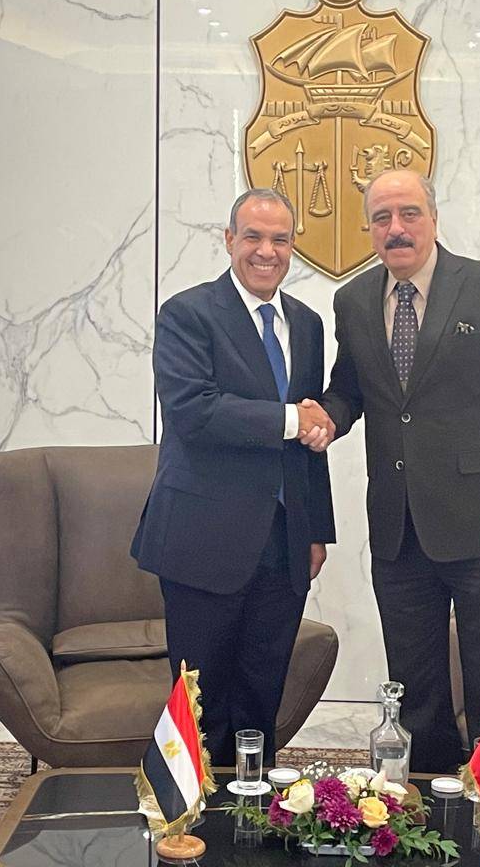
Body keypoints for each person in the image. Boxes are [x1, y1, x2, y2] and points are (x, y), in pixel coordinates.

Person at [307, 169, 480, 774]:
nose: (396, 228)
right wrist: (326, 418)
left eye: (409, 213)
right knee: (415, 690)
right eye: (382, 218)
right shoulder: (353, 301)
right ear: (369, 230)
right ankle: (432, 802)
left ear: (434, 219)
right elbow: (351, 389)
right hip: (398, 528)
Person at [131, 187, 336, 766]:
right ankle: (190, 814)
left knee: (261, 700)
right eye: (253, 237)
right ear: (229, 240)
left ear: (293, 247)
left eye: (280, 239)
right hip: (203, 539)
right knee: (200, 706)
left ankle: (252, 812)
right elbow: (193, 412)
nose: (266, 251)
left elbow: (310, 443)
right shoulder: (187, 314)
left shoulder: (308, 324)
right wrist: (291, 419)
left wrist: (315, 529)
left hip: (285, 542)